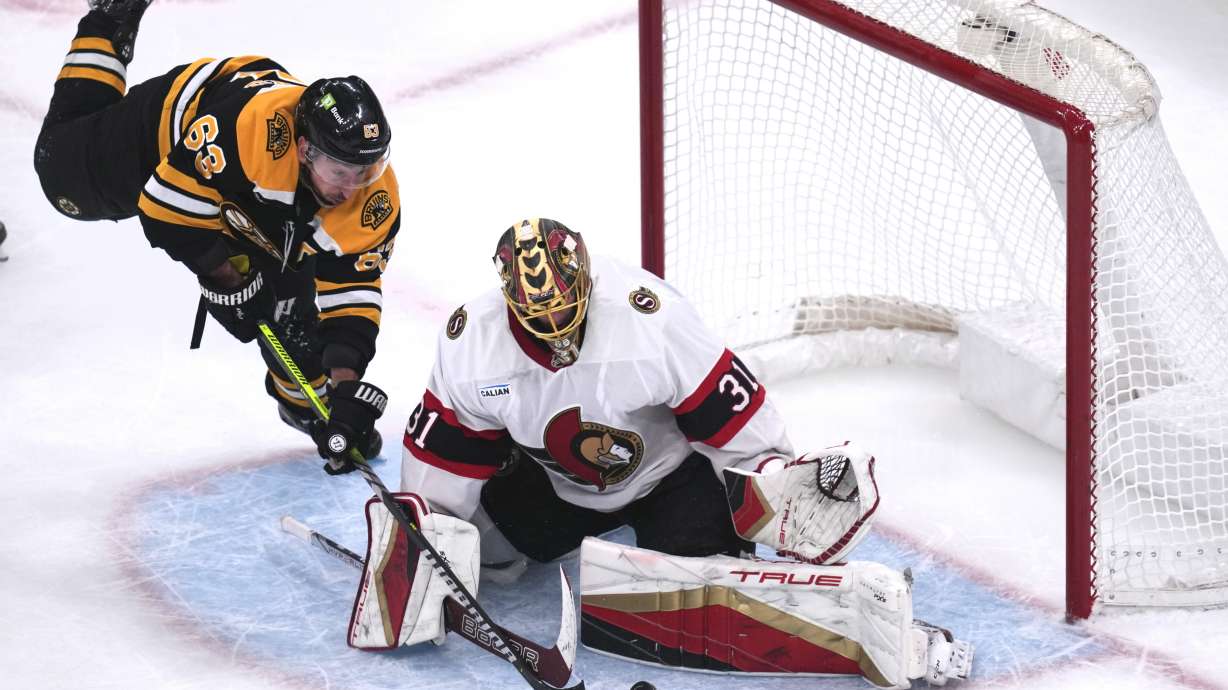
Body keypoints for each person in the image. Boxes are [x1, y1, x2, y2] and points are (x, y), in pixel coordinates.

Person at [342, 218, 971, 686]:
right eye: (538, 315)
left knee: (705, 578)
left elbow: (734, 422)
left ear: (587, 281)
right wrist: (423, 536)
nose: (557, 329)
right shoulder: (472, 344)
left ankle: (838, 610)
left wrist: (776, 488)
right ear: (509, 300)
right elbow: (446, 458)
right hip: (556, 483)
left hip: (673, 476)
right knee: (484, 552)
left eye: (566, 309)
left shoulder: (651, 318)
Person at [33, 0, 398, 468]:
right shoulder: (249, 135)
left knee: (295, 325)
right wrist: (227, 279)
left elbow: (353, 285)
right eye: (341, 171)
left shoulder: (371, 195)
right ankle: (109, 19)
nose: (354, 188)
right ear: (305, 149)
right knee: (61, 177)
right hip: (170, 136)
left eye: (366, 170)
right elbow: (165, 210)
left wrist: (344, 396)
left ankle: (309, 409)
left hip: (262, 197)